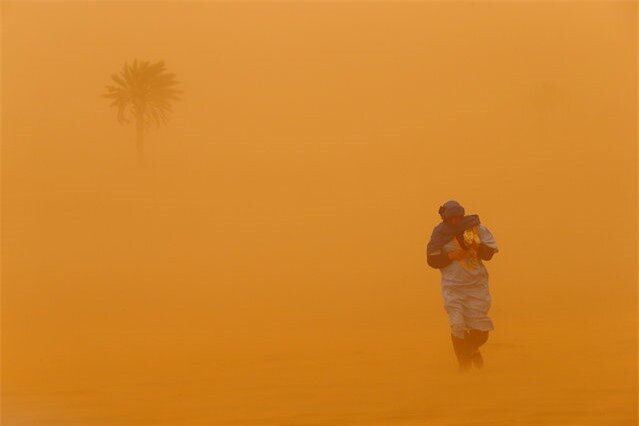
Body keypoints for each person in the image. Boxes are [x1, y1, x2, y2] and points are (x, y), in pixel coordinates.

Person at [425, 200, 499, 371]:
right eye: (450, 219)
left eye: (458, 217)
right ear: (445, 219)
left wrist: (477, 246)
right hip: (453, 286)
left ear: (462, 215)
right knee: (457, 326)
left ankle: (472, 349)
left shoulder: (476, 228)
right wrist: (451, 256)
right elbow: (431, 260)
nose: (454, 222)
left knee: (480, 330)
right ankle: (464, 368)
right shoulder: (439, 234)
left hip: (476, 285)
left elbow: (489, 254)